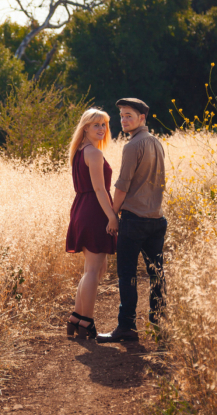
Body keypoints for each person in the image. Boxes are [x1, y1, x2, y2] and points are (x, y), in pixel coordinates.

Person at [97, 98, 167, 343]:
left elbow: (122, 186)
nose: (124, 120)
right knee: (157, 274)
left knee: (127, 275)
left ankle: (126, 327)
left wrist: (113, 215)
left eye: (129, 115)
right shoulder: (156, 142)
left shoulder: (132, 146)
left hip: (134, 220)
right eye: (122, 116)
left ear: (142, 118)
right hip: (157, 219)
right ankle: (158, 324)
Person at [65, 108, 118, 340]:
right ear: (85, 127)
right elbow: (99, 189)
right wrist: (112, 216)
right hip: (94, 211)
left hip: (81, 208)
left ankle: (76, 318)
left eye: (104, 125)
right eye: (96, 124)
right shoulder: (93, 154)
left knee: (93, 269)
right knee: (94, 270)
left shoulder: (79, 150)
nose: (101, 129)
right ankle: (87, 321)